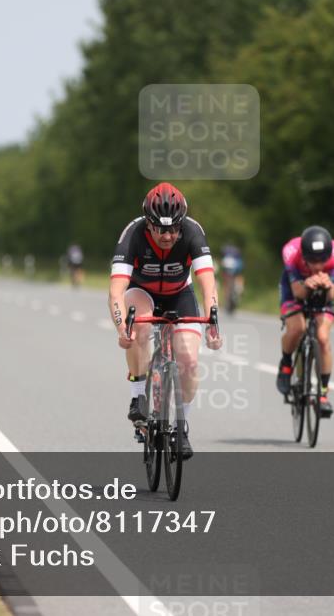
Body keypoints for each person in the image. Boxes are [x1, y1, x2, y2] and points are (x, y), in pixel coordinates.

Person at [108, 183, 222, 460]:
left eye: (174, 229)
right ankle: (139, 394)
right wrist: (122, 327)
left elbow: (208, 285)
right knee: (141, 324)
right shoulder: (133, 234)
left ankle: (181, 427)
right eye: (161, 229)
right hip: (141, 292)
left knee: (189, 361)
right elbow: (116, 291)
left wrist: (213, 324)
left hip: (180, 294)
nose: (169, 235)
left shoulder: (193, 231)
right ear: (149, 224)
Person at [275, 226, 334, 418]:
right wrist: (306, 284)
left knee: (323, 338)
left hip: (323, 291)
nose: (317, 266)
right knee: (297, 328)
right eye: (313, 261)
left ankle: (323, 393)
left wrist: (326, 284)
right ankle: (286, 364)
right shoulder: (291, 251)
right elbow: (297, 292)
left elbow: (331, 295)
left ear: (329, 256)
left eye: (322, 261)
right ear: (304, 255)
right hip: (294, 287)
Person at [219, 243, 245, 314]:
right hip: (235, 272)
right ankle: (239, 291)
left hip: (231, 273)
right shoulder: (236, 257)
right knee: (236, 280)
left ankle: (237, 291)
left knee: (227, 285)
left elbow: (224, 271)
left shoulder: (226, 256)